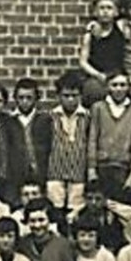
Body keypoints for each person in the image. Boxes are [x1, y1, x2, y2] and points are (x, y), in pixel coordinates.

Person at [85, 71, 131, 202]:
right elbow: (92, 138)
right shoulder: (98, 108)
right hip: (102, 166)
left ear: (129, 87)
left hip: (124, 167)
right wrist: (91, 168)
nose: (119, 89)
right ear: (107, 87)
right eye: (114, 85)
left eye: (123, 85)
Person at [45, 71, 90, 212]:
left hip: (78, 173)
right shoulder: (50, 117)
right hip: (55, 172)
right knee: (55, 211)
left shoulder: (88, 117)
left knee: (75, 211)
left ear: (81, 96)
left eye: (74, 96)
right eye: (66, 96)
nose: (70, 100)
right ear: (58, 96)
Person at [77, 0, 127, 105]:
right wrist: (98, 75)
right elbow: (83, 61)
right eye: (102, 8)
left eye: (109, 8)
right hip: (98, 75)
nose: (105, 11)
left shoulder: (121, 28)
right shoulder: (90, 35)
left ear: (116, 12)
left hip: (117, 74)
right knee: (93, 90)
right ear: (95, 12)